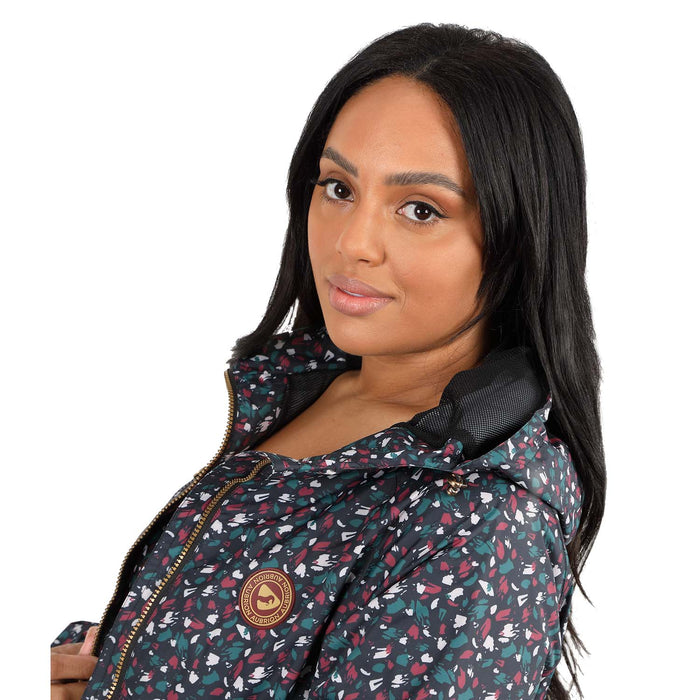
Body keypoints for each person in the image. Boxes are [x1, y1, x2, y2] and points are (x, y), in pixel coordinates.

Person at [50, 22, 605, 700]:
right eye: (339, 188)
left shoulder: (481, 523)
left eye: (420, 209)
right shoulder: (305, 390)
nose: (353, 243)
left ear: (519, 237)